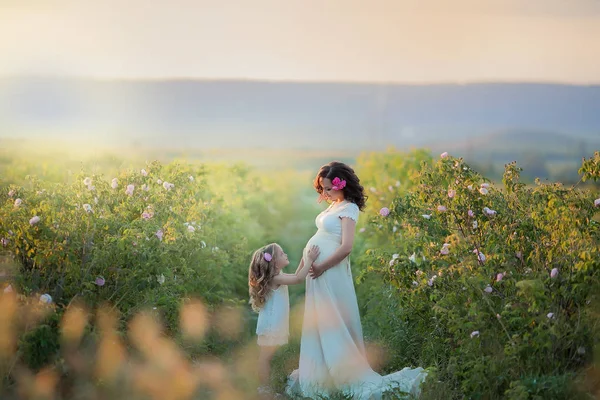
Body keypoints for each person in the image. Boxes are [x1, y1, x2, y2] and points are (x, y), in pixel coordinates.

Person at [286, 161, 427, 399]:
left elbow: (346, 247)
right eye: (323, 189)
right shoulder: (333, 207)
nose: (326, 193)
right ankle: (321, 373)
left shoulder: (348, 208)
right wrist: (305, 265)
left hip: (328, 271)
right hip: (317, 272)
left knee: (332, 319)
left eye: (330, 188)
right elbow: (319, 236)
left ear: (343, 185)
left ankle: (342, 372)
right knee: (319, 319)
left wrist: (320, 266)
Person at [249, 242, 320, 397]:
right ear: (274, 262)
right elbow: (298, 279)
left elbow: (296, 275)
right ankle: (263, 388)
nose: (285, 254)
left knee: (267, 357)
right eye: (282, 253)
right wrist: (310, 259)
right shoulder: (275, 279)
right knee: (265, 358)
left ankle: (266, 385)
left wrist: (304, 257)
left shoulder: (277, 277)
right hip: (270, 326)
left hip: (272, 324)